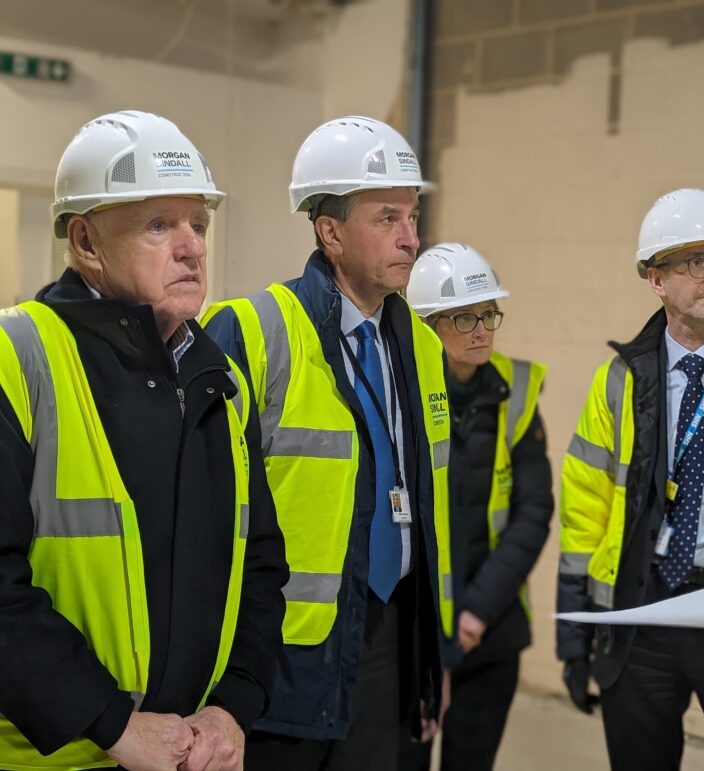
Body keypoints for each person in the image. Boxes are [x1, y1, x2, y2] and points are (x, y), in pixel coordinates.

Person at [0, 110, 287, 771]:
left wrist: (232, 704)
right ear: (86, 240)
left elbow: (261, 565)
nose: (192, 246)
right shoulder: (20, 360)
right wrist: (112, 723)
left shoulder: (224, 380)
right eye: (160, 225)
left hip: (193, 755)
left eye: (199, 223)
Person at [202, 115, 453, 771]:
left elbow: (428, 509)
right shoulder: (251, 329)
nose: (411, 237)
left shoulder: (422, 346)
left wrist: (431, 651)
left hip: (387, 636)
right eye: (388, 217)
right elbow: (201, 511)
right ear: (331, 231)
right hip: (280, 653)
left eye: (413, 216)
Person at [557, 188, 704, 771]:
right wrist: (574, 632)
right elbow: (584, 505)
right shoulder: (619, 380)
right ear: (655, 278)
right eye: (695, 262)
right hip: (647, 608)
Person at [404, 243, 553, 770]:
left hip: (490, 627)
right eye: (464, 317)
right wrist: (438, 623)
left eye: (489, 313)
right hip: (412, 632)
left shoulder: (516, 394)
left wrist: (475, 612)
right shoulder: (400, 394)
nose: (482, 329)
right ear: (425, 325)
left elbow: (533, 513)